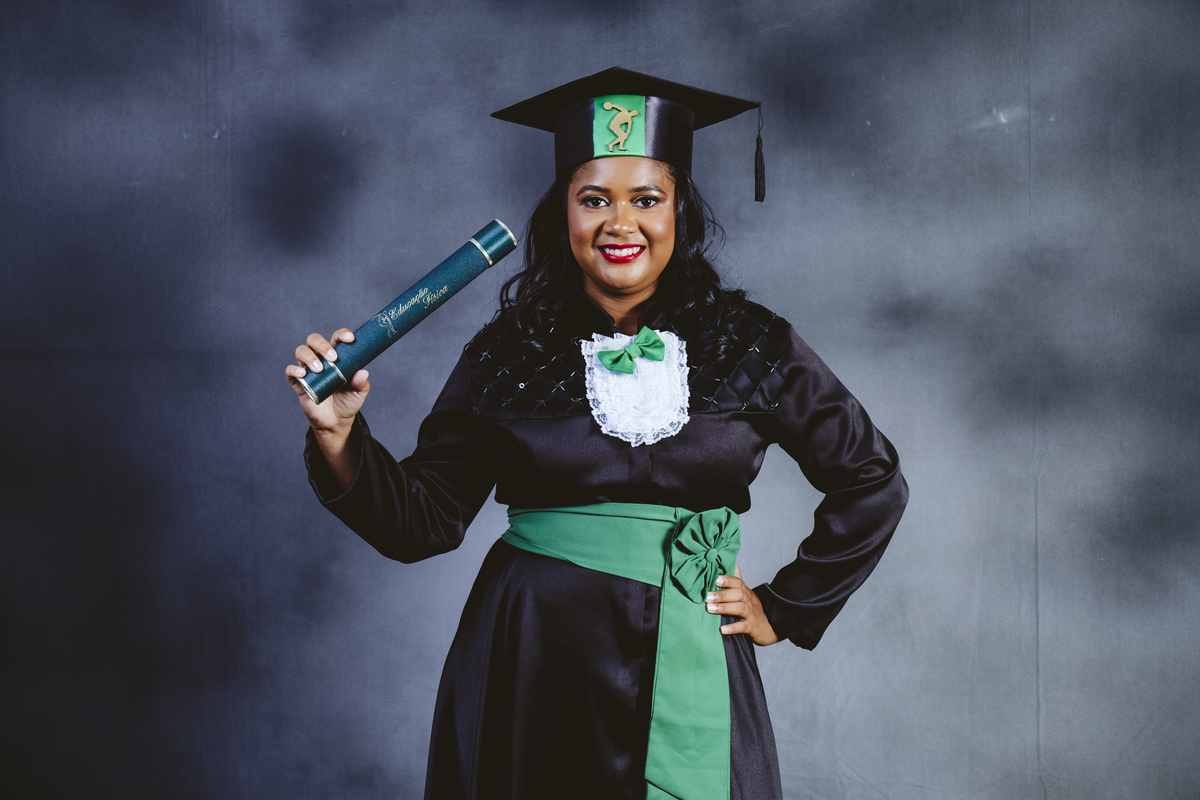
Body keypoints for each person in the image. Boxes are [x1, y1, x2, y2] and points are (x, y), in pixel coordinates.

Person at [285, 68, 908, 800]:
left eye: (646, 199)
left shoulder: (753, 345)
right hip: (530, 657)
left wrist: (787, 605)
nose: (620, 224)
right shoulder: (505, 353)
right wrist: (340, 437)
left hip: (691, 643)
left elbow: (872, 479)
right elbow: (424, 521)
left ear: (680, 209)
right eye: (594, 200)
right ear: (564, 214)